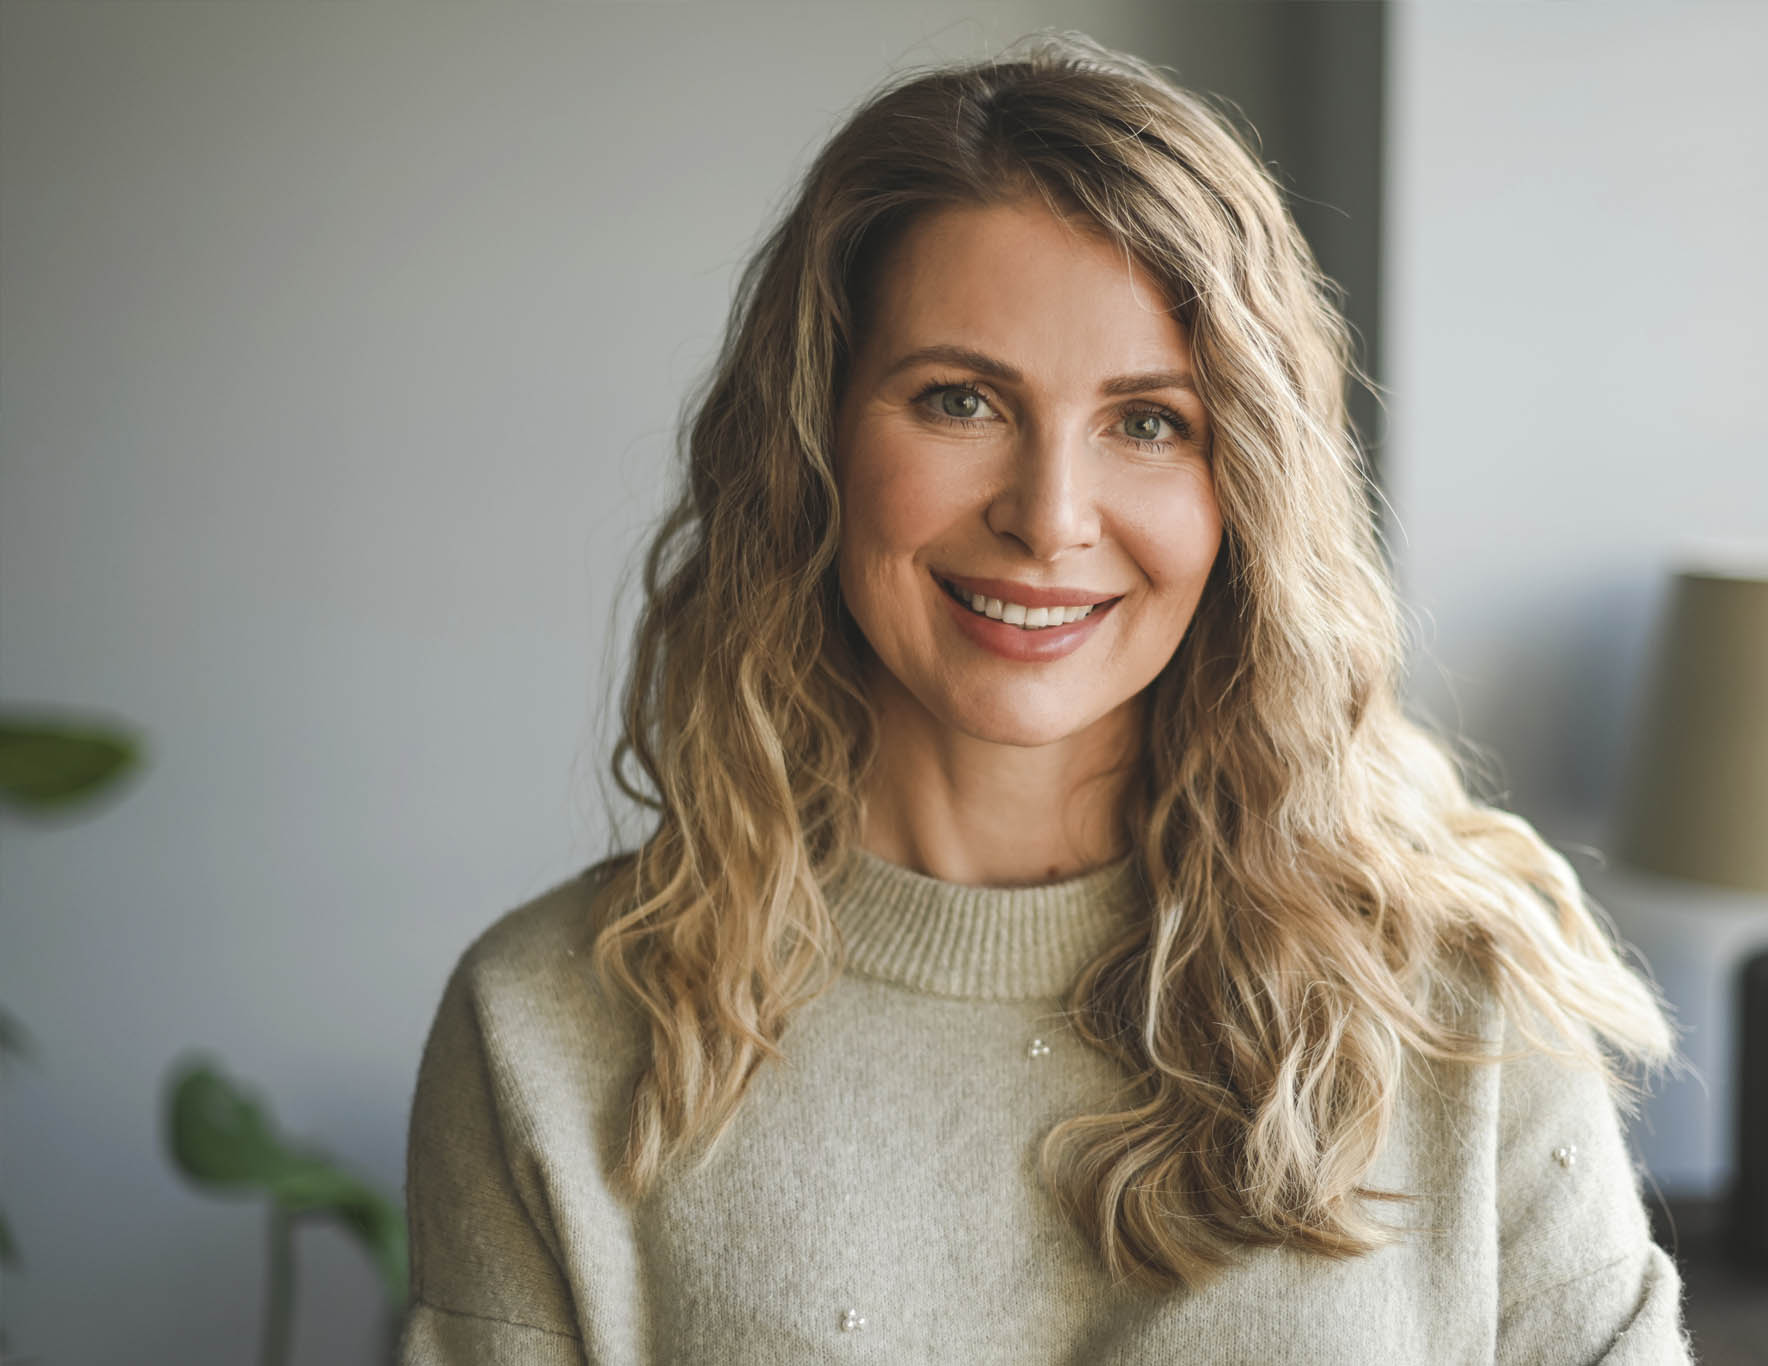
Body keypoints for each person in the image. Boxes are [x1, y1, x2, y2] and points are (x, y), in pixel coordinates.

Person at [398, 31, 1692, 1365]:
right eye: (960, 400)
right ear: (815, 442)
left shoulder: (1469, 1004)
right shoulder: (546, 1031)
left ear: (1242, 486)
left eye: (1147, 421)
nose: (1050, 518)